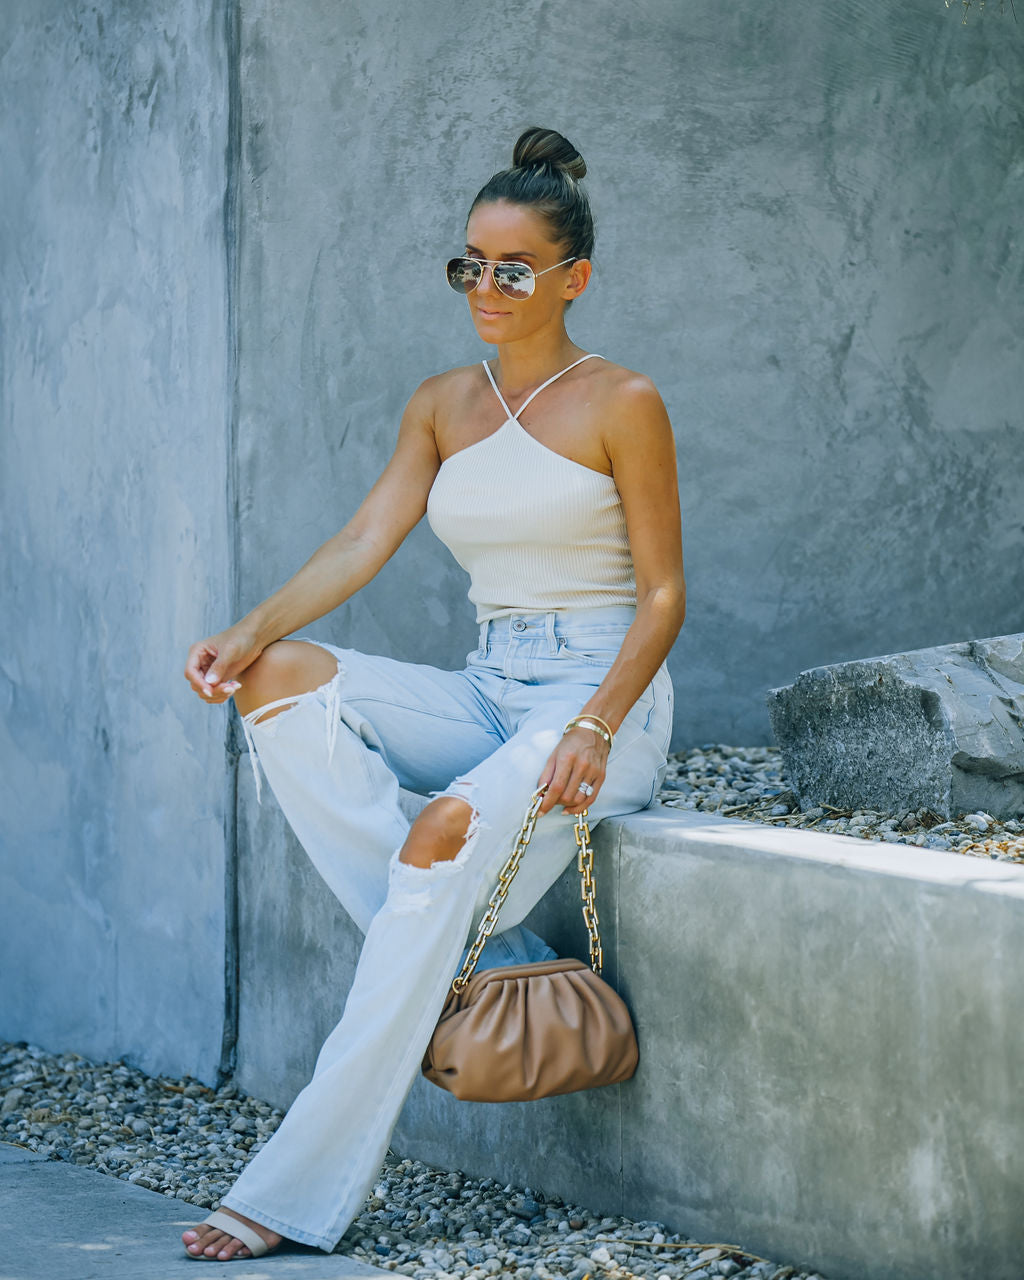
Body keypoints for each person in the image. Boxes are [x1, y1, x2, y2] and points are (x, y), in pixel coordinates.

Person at [181, 126, 685, 1261]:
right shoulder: (442, 403)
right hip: (489, 680)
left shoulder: (622, 399)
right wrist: (247, 627)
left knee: (442, 836)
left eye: (514, 268)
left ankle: (290, 1189)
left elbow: (662, 597)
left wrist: (598, 721)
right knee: (277, 684)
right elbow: (367, 536)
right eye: (470, 263)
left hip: (600, 699)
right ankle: (468, 941)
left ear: (574, 279)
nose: (487, 288)